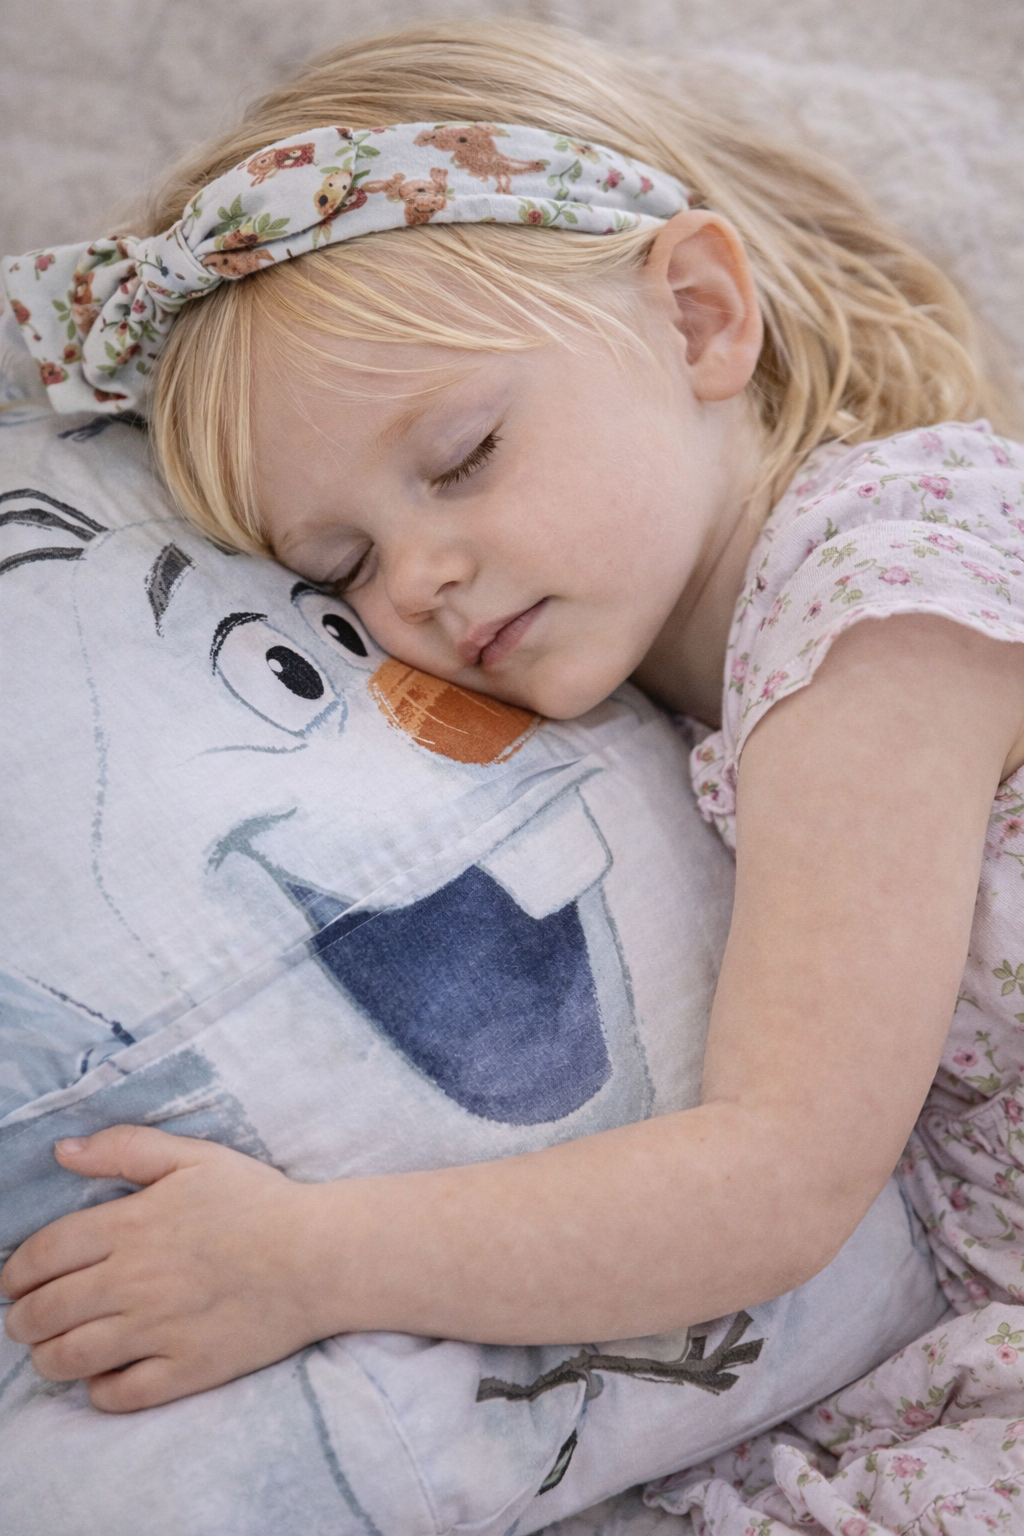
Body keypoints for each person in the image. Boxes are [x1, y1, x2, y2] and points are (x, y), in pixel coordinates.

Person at [1, 17, 1021, 1421]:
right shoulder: (678, 705)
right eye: (339, 571)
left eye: (465, 456)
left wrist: (301, 1260)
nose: (415, 579)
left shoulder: (879, 605)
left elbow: (778, 1182)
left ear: (698, 318)